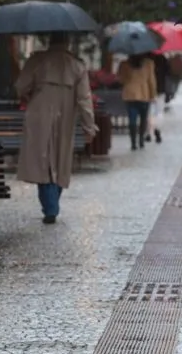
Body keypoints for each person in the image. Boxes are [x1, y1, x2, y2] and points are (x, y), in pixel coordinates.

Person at [15, 32, 98, 224]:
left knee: (42, 161)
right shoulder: (77, 65)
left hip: (38, 114)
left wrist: (29, 93)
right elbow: (85, 99)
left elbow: (20, 87)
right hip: (65, 116)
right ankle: (52, 205)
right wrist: (89, 127)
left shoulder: (36, 61)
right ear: (67, 42)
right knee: (60, 161)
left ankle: (50, 206)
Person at [117, 53, 157, 150]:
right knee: (143, 119)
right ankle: (141, 141)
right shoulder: (149, 64)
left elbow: (121, 80)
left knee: (132, 119)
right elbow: (151, 81)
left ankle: (133, 143)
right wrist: (153, 95)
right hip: (144, 94)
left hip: (129, 95)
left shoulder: (124, 64)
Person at [147, 52, 170, 144]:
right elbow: (169, 72)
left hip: (148, 89)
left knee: (148, 111)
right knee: (159, 111)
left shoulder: (147, 58)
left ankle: (148, 133)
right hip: (161, 88)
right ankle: (157, 129)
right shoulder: (162, 58)